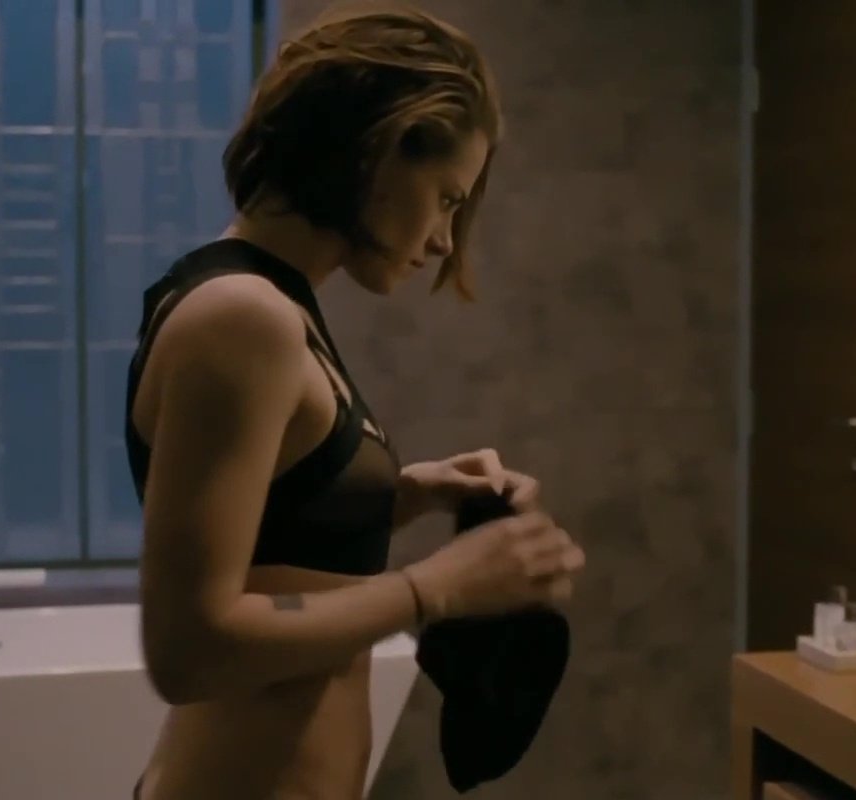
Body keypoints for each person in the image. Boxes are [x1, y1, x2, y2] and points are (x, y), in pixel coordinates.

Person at [121, 5, 586, 798]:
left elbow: (269, 542)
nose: (444, 240)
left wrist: (403, 497)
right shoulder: (244, 318)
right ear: (380, 146)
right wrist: (435, 586)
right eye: (447, 197)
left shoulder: (273, 307)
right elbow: (189, 650)